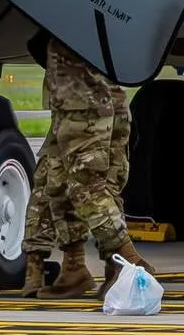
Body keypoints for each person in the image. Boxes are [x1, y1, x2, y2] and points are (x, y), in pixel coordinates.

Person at [40, 37, 152, 297]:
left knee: (85, 188)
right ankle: (76, 268)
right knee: (74, 186)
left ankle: (129, 260)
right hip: (106, 101)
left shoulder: (69, 15)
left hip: (81, 106)